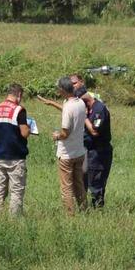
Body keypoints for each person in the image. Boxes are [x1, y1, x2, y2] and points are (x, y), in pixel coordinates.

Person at [0, 83, 31, 216]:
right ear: (19, 95)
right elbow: (24, 133)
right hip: (16, 158)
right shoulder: (19, 110)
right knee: (16, 190)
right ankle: (15, 219)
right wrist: (29, 127)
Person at [52, 76, 89, 215]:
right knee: (79, 184)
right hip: (79, 152)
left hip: (66, 154)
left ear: (62, 90)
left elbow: (65, 133)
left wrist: (57, 135)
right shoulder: (80, 103)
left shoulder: (68, 107)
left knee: (66, 187)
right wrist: (52, 103)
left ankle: (70, 215)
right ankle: (84, 210)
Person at [82, 92, 112, 208]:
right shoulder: (90, 108)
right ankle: (86, 208)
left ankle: (97, 209)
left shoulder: (99, 109)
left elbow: (95, 131)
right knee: (87, 181)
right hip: (90, 149)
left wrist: (84, 117)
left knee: (96, 183)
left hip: (99, 152)